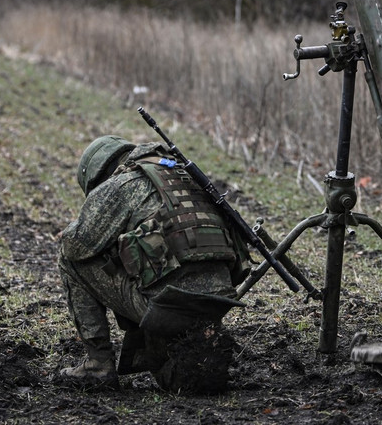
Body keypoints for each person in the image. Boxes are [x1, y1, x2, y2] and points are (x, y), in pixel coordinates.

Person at [57, 135, 252, 394]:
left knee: (69, 259)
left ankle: (97, 365)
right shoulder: (184, 174)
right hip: (220, 299)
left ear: (96, 176)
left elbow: (76, 246)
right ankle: (187, 349)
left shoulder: (119, 184)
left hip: (168, 305)